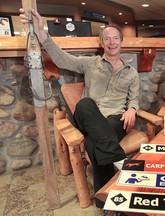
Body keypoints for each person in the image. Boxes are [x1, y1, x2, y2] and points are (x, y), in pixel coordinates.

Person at [19, 9, 139, 210]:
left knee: (94, 143)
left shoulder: (131, 72)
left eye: (115, 38)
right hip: (88, 116)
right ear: (102, 43)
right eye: (107, 38)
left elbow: (134, 97)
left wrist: (133, 109)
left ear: (121, 42)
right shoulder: (90, 63)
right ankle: (119, 161)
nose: (111, 42)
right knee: (85, 103)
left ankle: (107, 203)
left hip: (115, 120)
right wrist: (41, 33)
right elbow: (62, 60)